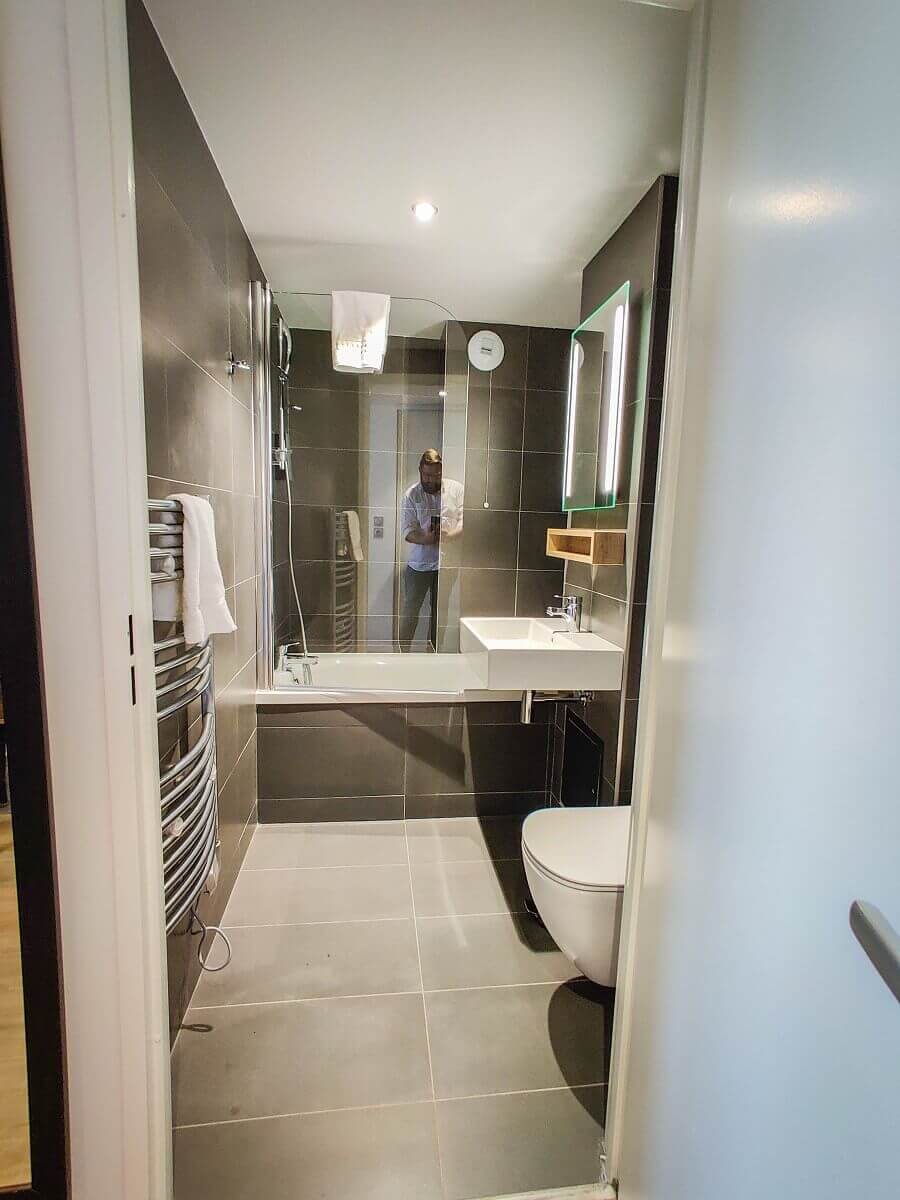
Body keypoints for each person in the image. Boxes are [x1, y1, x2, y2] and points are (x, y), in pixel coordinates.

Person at [399, 449, 463, 651]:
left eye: (435, 475)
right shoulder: (411, 494)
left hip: (447, 564)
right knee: (410, 611)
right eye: (426, 475)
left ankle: (433, 654)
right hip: (418, 564)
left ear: (441, 471)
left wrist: (450, 536)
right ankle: (401, 654)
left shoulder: (457, 490)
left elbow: (466, 521)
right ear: (420, 470)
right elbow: (407, 531)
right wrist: (426, 539)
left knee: (439, 613)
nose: (430, 480)